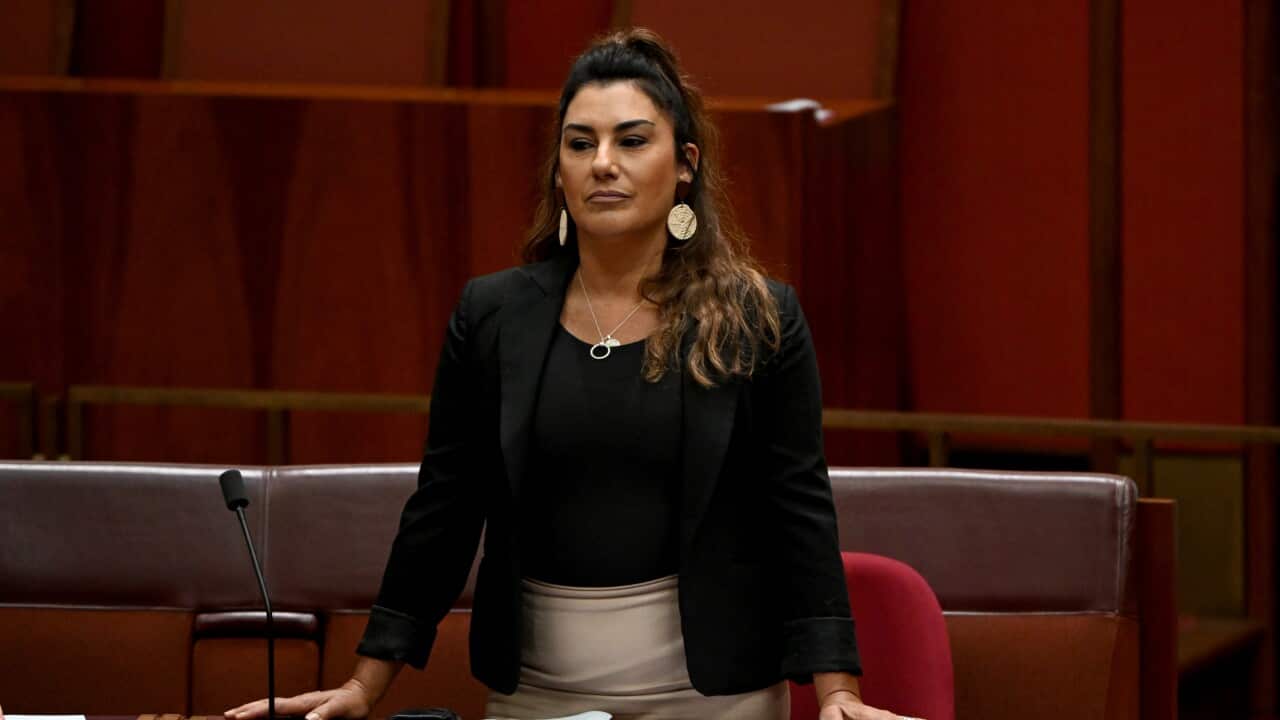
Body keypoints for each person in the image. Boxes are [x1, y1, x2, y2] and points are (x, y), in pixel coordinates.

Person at [228, 29, 908, 720]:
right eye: (580, 144)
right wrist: (364, 685)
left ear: (685, 164)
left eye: (632, 141)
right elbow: (444, 510)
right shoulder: (492, 316)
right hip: (538, 692)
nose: (602, 164)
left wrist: (837, 692)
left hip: (715, 692)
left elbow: (797, 508)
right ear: (559, 171)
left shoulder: (755, 317)